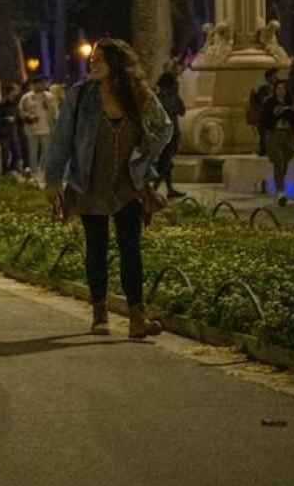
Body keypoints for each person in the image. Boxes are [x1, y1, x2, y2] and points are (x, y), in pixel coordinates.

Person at [45, 38, 173, 339]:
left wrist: (144, 157)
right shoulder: (81, 95)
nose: (94, 63)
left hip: (128, 186)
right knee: (97, 248)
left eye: (101, 59)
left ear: (117, 62)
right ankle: (99, 314)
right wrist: (53, 180)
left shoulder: (138, 95)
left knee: (131, 249)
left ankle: (136, 318)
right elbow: (62, 139)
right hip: (89, 183)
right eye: (93, 59)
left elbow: (165, 127)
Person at [262, 79, 294, 208]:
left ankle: (279, 184)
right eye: (278, 88)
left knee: (286, 158)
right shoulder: (269, 103)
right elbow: (266, 120)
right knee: (278, 161)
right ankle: (280, 192)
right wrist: (277, 114)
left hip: (287, 134)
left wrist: (288, 111)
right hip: (274, 134)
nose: (281, 91)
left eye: (283, 88)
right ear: (275, 90)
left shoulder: (290, 102)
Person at [153, 71, 187, 199]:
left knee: (166, 162)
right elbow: (182, 111)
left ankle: (169, 189)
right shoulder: (168, 98)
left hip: (164, 135)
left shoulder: (158, 97)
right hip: (169, 136)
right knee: (165, 163)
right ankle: (154, 189)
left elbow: (182, 111)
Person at [18, 76, 57, 181]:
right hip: (32, 129)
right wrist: (28, 117)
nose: (43, 85)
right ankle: (34, 173)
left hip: (47, 128)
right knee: (33, 152)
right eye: (40, 83)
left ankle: (46, 173)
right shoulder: (26, 97)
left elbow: (55, 112)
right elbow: (21, 111)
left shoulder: (49, 96)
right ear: (34, 84)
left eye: (43, 83)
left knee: (47, 152)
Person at [0, 83, 24, 177]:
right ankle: (4, 172)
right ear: (10, 92)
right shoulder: (1, 104)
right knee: (5, 153)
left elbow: (18, 117)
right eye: (15, 90)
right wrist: (6, 119)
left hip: (13, 131)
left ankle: (12, 170)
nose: (17, 92)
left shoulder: (15, 103)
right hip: (3, 132)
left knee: (17, 153)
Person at [247, 70, 278, 157]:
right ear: (268, 78)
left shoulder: (279, 88)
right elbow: (262, 101)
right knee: (263, 135)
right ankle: (263, 151)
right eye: (273, 76)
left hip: (275, 115)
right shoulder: (263, 89)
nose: (275, 78)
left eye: (275, 76)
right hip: (264, 115)